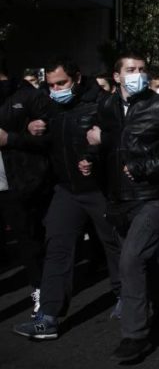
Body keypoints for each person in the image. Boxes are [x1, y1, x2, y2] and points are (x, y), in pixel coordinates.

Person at [87, 52, 159, 362]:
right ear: (117, 76)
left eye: (143, 70)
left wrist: (150, 166)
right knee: (144, 262)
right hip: (118, 199)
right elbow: (107, 144)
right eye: (131, 70)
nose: (138, 75)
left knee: (131, 261)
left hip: (152, 198)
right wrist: (91, 154)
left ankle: (135, 336)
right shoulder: (106, 106)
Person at [12, 59, 122, 340]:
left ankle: (129, 299)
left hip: (100, 189)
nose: (56, 90)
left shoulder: (102, 103)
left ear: (76, 77)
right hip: (67, 190)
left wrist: (95, 153)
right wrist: (28, 130)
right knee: (58, 246)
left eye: (61, 83)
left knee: (116, 245)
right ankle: (47, 317)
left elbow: (119, 140)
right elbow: (43, 142)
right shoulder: (50, 107)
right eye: (51, 85)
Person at [0, 76, 53, 318]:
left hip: (18, 184)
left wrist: (12, 138)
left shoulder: (28, 95)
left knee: (29, 244)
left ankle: (42, 296)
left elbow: (49, 138)